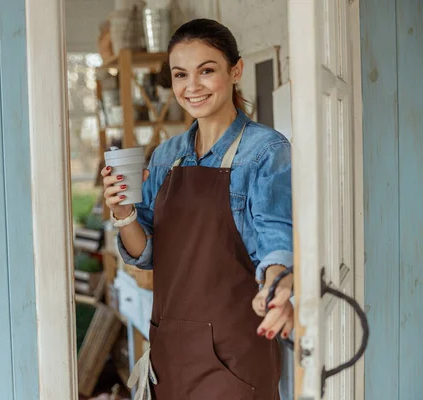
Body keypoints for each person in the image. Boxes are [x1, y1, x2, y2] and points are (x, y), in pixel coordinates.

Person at [102, 19, 294, 400]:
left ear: (235, 70)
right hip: (170, 349)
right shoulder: (166, 156)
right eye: (180, 74)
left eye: (207, 70)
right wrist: (123, 211)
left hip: (234, 356)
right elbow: (147, 254)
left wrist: (277, 286)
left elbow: (277, 240)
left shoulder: (265, 151)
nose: (192, 86)